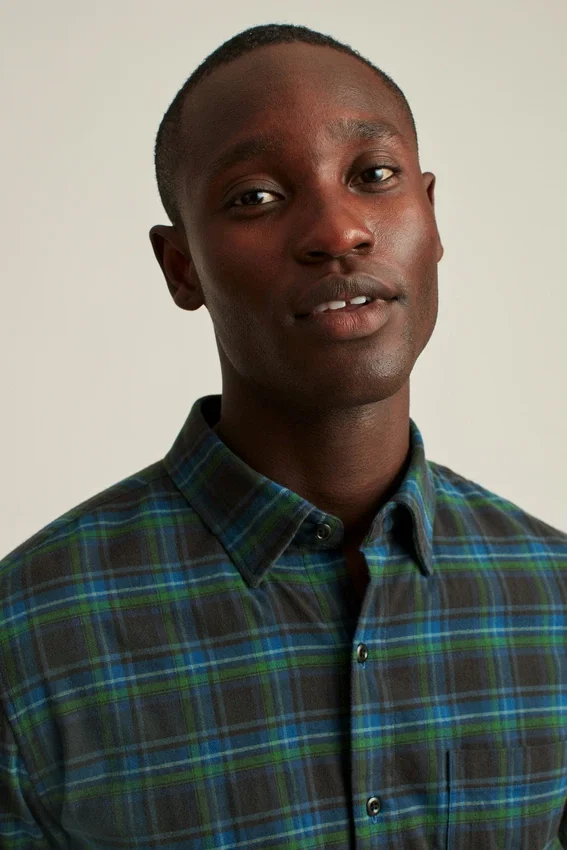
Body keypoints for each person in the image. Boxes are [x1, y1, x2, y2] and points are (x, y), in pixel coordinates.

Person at [1, 22, 566, 850]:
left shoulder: (553, 601)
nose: (337, 231)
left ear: (430, 215)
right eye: (256, 197)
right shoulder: (25, 644)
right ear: (181, 267)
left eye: (373, 175)